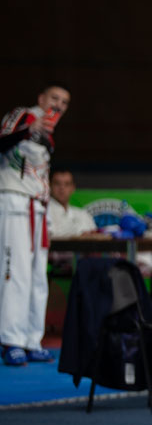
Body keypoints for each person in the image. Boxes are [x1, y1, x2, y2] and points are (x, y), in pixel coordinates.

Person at [0, 83, 71, 366]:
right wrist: (28, 130)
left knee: (38, 277)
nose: (59, 105)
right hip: (15, 203)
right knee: (15, 274)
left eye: (64, 102)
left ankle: (32, 339)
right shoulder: (23, 116)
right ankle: (11, 341)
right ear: (41, 98)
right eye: (55, 98)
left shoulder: (49, 137)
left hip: (39, 208)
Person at [48, 169, 98, 239]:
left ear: (73, 188)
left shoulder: (83, 214)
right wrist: (80, 234)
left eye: (67, 184)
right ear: (49, 186)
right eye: (57, 183)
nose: (62, 188)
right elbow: (50, 235)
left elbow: (95, 235)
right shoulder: (44, 213)